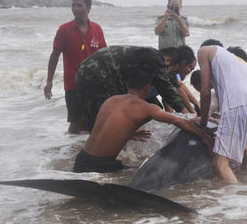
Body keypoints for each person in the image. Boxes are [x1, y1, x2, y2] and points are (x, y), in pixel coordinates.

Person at [73, 70, 213, 173]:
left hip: (81, 160)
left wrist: (128, 133)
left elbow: (103, 127)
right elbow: (179, 121)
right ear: (147, 89)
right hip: (102, 167)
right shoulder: (147, 108)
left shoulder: (110, 100)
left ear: (127, 85)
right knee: (143, 176)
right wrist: (204, 136)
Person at [195, 45, 247, 183]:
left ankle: (237, 201)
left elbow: (205, 92)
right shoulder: (236, 62)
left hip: (240, 104)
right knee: (243, 146)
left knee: (219, 163)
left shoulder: (203, 51)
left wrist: (203, 123)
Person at [75, 45, 185, 131]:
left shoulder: (147, 55)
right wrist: (186, 116)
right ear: (168, 60)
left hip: (83, 71)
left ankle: (95, 149)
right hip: (99, 73)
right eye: (172, 70)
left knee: (95, 118)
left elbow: (169, 86)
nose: (168, 73)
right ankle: (107, 152)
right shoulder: (156, 59)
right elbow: (167, 89)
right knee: (108, 117)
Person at [44, 0, 106, 134]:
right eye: (73, 5)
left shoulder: (97, 29)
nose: (75, 8)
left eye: (80, 5)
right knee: (76, 123)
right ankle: (70, 150)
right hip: (73, 85)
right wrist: (49, 81)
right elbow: (54, 55)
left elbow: (104, 56)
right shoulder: (64, 29)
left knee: (96, 120)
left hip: (94, 84)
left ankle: (88, 149)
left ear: (88, 8)